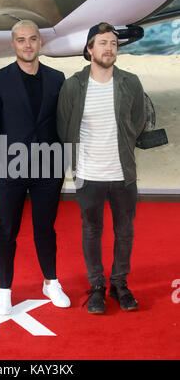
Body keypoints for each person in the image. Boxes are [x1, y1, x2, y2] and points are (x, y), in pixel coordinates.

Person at [57, 22, 146, 314]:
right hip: (88, 174)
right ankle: (96, 286)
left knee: (125, 232)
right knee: (91, 230)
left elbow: (138, 120)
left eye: (113, 43)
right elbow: (64, 126)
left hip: (123, 174)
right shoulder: (73, 85)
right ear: (89, 49)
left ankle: (119, 284)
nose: (109, 48)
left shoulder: (130, 82)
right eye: (103, 43)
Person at [0, 20, 70, 314]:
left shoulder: (58, 79)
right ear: (13, 44)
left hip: (49, 168)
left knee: (45, 228)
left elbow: (64, 124)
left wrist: (63, 162)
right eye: (21, 40)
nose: (28, 45)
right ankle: (4, 289)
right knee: (7, 229)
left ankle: (51, 281)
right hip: (10, 167)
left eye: (32, 39)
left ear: (40, 42)